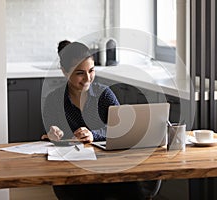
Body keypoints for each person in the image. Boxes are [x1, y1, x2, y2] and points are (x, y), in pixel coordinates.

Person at [42, 40, 146, 200]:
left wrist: (93, 134)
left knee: (134, 190)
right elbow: (50, 133)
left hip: (109, 166)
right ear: (64, 72)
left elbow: (121, 128)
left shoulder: (104, 94)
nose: (87, 78)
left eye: (91, 70)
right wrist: (53, 134)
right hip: (72, 170)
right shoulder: (53, 99)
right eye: (79, 73)